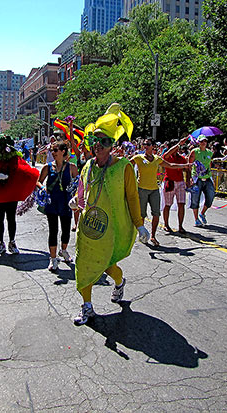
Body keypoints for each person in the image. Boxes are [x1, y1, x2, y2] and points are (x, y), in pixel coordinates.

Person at [71, 105, 149, 326]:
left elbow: (133, 198)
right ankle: (87, 307)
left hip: (112, 229)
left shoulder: (124, 167)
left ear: (112, 145)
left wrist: (140, 224)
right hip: (88, 229)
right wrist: (77, 201)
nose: (98, 147)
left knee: (106, 265)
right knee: (83, 264)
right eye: (95, 142)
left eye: (104, 142)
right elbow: (82, 190)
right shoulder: (87, 166)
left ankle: (119, 282)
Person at [0, 133, 39, 254]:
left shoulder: (13, 158)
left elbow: (21, 170)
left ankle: (12, 242)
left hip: (11, 193)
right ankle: (0, 242)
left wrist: (7, 176)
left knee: (11, 219)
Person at [130, 139, 186, 246]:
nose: (145, 146)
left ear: (153, 147)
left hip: (154, 190)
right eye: (144, 144)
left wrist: (185, 165)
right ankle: (141, 234)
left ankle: (153, 236)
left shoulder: (157, 159)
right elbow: (127, 165)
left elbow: (171, 165)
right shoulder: (138, 157)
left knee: (156, 214)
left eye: (148, 144)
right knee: (141, 214)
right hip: (142, 190)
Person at [36, 140, 79, 271]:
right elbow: (38, 181)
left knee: (66, 230)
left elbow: (78, 185)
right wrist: (42, 188)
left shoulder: (72, 167)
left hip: (66, 203)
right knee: (53, 230)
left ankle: (64, 250)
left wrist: (76, 197)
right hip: (52, 203)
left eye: (55, 150)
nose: (52, 153)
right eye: (52, 150)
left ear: (63, 152)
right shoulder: (47, 167)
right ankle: (53, 259)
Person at [161, 137, 192, 233]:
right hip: (169, 182)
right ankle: (166, 224)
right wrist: (178, 143)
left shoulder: (181, 158)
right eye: (175, 146)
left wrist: (188, 180)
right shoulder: (167, 156)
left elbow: (187, 169)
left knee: (181, 204)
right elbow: (166, 155)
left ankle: (180, 226)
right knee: (168, 204)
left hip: (180, 182)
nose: (178, 148)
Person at [188, 135, 215, 227]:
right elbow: (189, 164)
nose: (204, 143)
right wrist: (190, 178)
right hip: (197, 178)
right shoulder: (194, 152)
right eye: (202, 141)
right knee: (195, 199)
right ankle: (196, 219)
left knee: (210, 197)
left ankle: (202, 213)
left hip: (207, 177)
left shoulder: (209, 153)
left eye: (205, 141)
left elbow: (210, 164)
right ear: (198, 143)